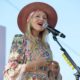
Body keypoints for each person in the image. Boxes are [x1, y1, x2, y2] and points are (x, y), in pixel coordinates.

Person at [3, 2, 58, 80]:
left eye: (44, 18)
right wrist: (34, 64)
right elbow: (9, 72)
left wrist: (55, 72)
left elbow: (50, 76)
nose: (41, 19)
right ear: (29, 20)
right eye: (37, 16)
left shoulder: (46, 46)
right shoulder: (20, 39)